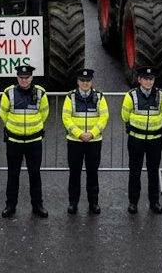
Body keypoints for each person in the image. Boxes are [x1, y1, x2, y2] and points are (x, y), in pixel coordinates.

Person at [0, 65, 50, 219]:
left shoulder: (40, 93)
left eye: (27, 77)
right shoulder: (8, 93)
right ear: (17, 78)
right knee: (12, 175)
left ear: (31, 78)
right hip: (14, 141)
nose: (24, 80)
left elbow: (44, 113)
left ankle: (37, 205)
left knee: (35, 174)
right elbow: (3, 113)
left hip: (34, 141)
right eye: (21, 78)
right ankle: (10, 205)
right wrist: (15, 128)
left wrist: (34, 128)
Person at [122, 66, 162, 215]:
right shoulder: (131, 95)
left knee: (153, 172)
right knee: (134, 172)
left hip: (155, 140)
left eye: (151, 79)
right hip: (136, 139)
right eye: (145, 79)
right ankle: (133, 203)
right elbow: (125, 115)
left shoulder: (161, 95)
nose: (148, 82)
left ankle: (154, 202)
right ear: (139, 80)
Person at [61, 67, 108, 215]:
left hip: (94, 142)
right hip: (75, 141)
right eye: (82, 80)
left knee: (92, 173)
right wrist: (79, 134)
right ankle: (73, 203)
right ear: (78, 81)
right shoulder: (70, 97)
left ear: (91, 81)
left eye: (88, 80)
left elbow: (104, 117)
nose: (85, 83)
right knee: (74, 174)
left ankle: (93, 202)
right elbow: (66, 118)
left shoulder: (99, 97)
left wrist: (92, 134)